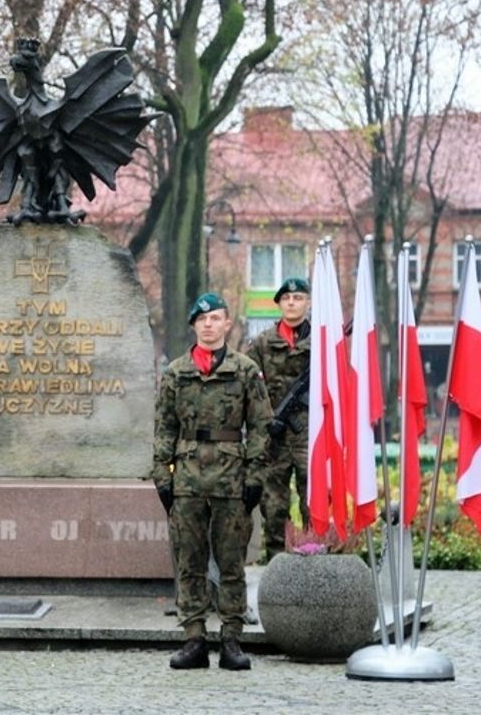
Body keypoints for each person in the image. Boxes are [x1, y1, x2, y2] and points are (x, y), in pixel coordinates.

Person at [152, 293, 272, 671]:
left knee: (231, 561)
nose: (208, 325)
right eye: (201, 320)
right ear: (194, 326)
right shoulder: (175, 372)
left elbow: (261, 427)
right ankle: (194, 639)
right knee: (189, 560)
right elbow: (164, 427)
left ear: (226, 324)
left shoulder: (246, 371)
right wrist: (162, 475)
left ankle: (232, 640)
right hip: (187, 477)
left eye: (215, 318)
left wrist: (255, 476)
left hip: (230, 478)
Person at [245, 276, 311, 561]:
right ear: (279, 304)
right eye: (286, 299)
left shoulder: (321, 343)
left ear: (307, 303)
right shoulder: (262, 343)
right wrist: (264, 422)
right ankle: (276, 563)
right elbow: (249, 387)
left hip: (311, 434)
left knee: (315, 501)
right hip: (275, 436)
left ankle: (316, 559)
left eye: (298, 298)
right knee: (273, 505)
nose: (292, 303)